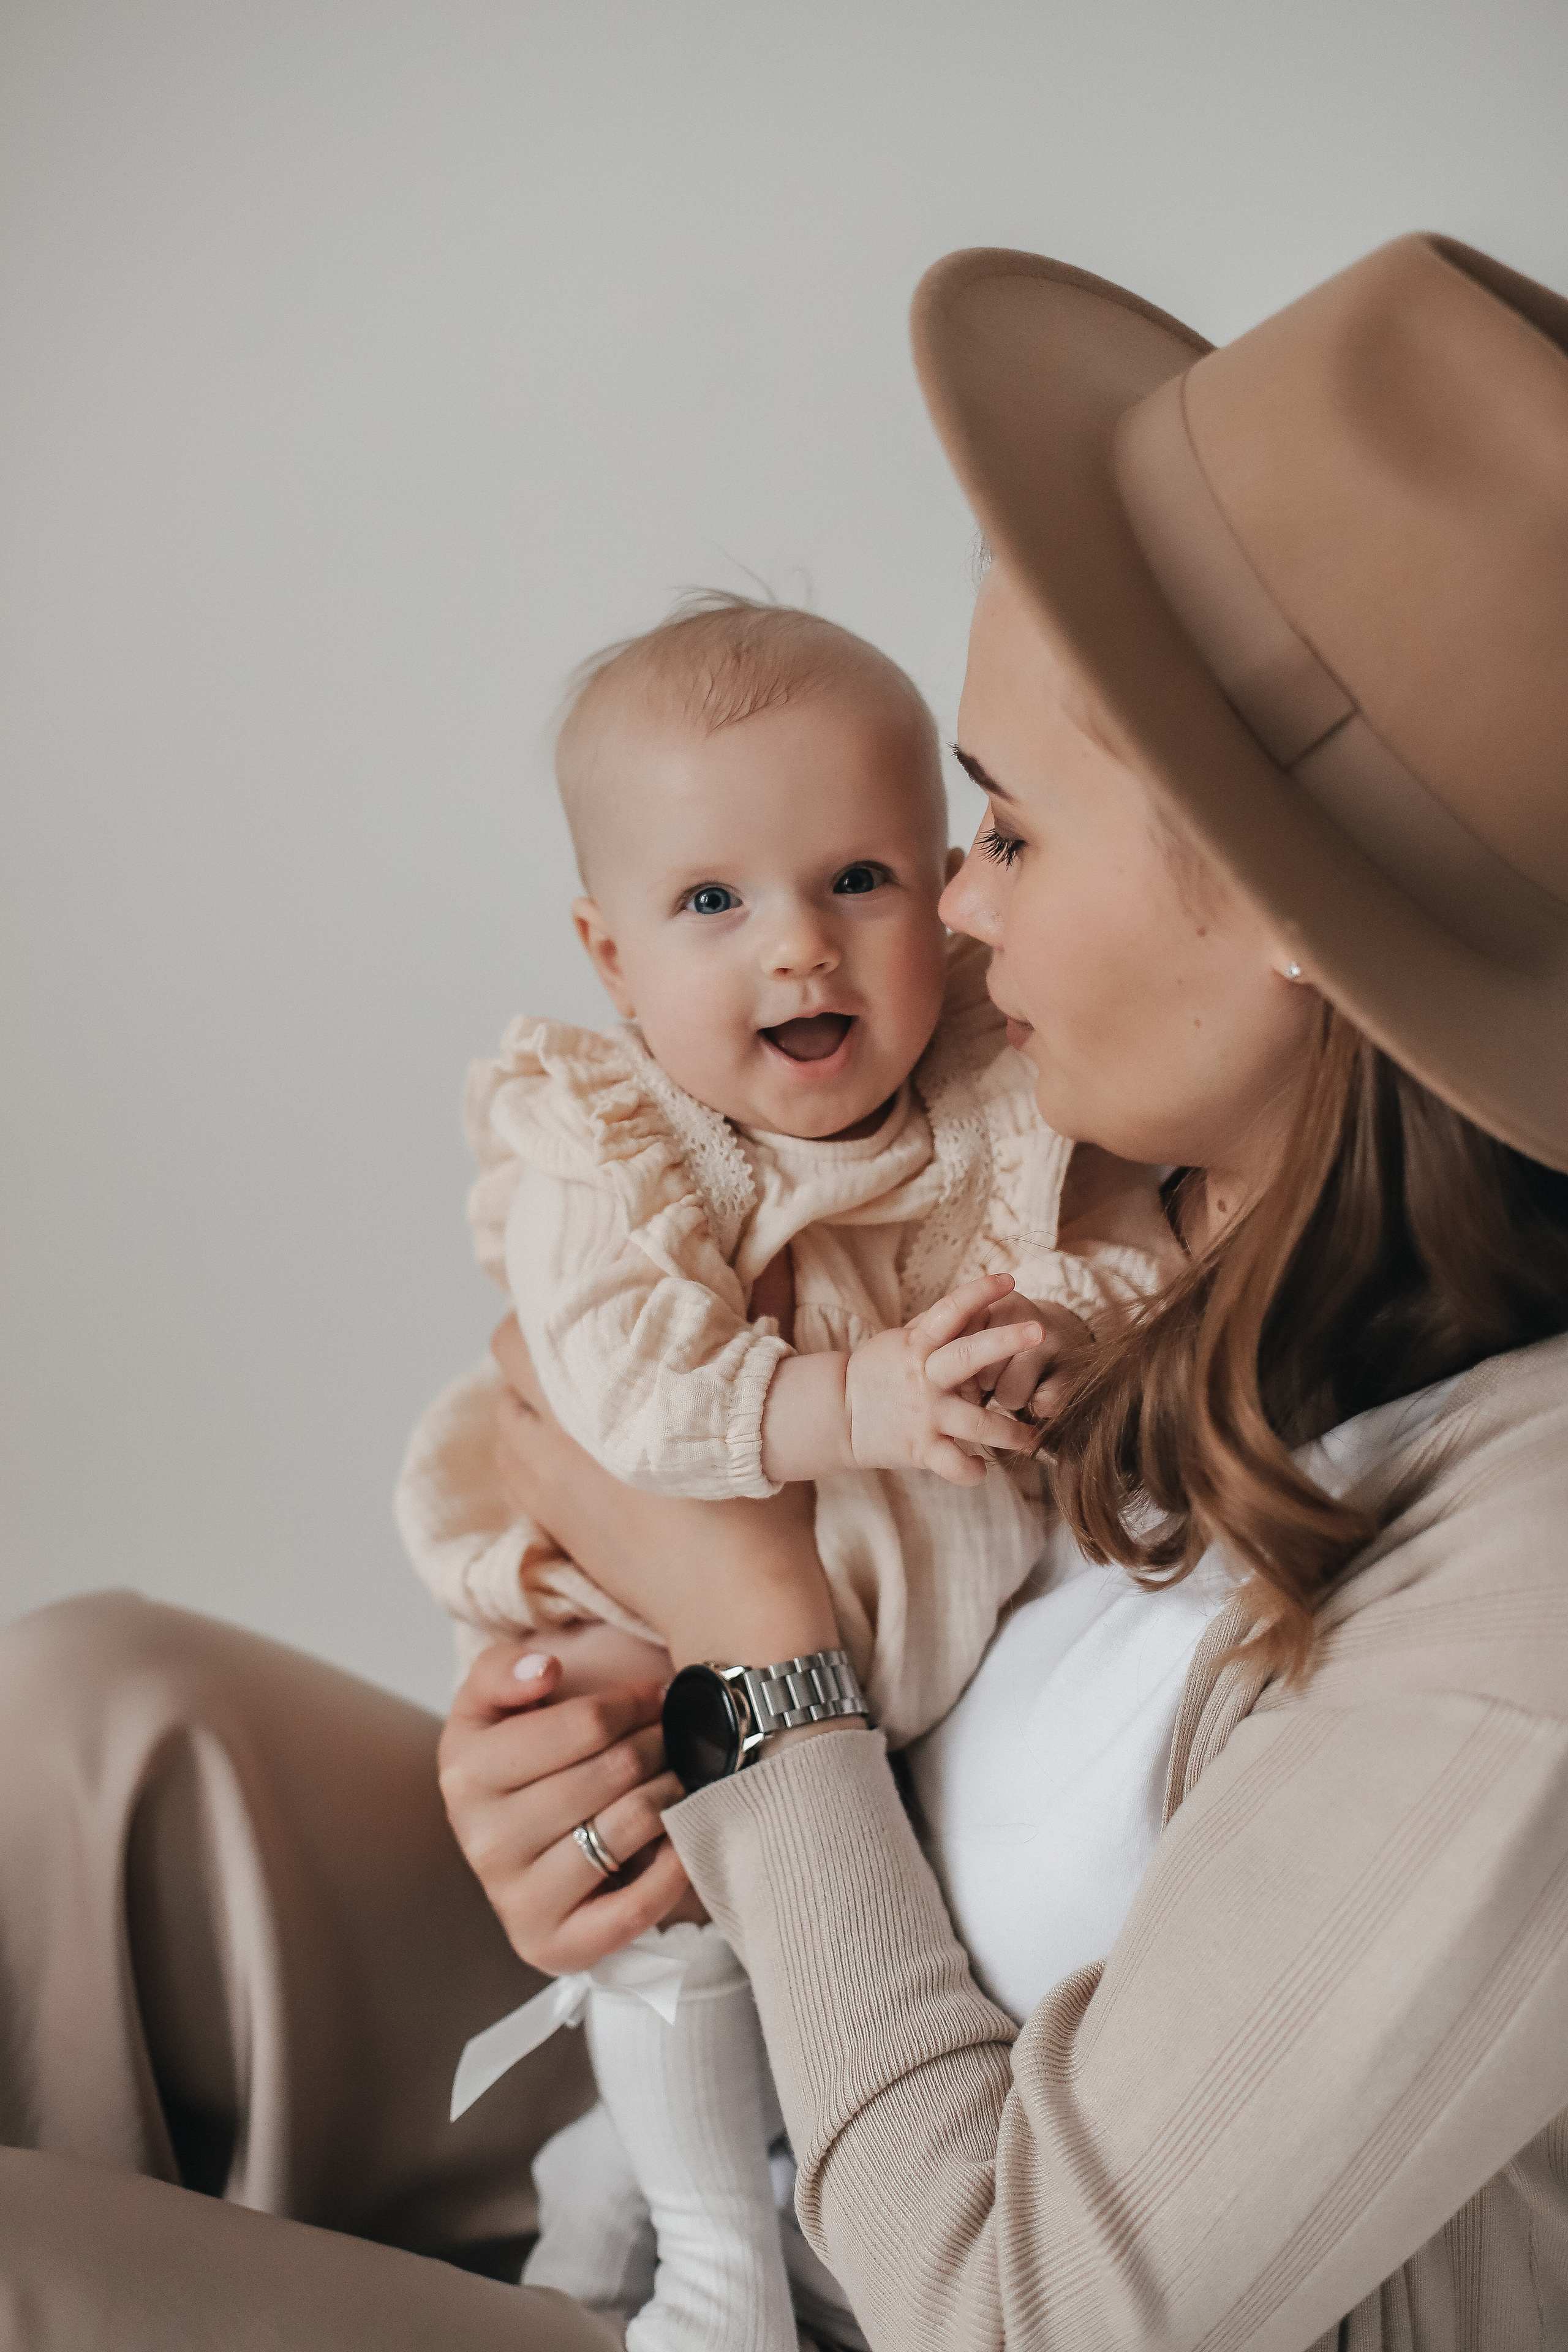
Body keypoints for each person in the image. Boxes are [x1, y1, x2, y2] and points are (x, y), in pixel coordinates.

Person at [2, 227, 1566, 2352]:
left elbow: (1016, 2308)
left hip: (883, 2288)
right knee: (90, 1727)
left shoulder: (1519, 1616)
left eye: (994, 835)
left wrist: (758, 1658)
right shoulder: (1128, 1172)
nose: (946, 925)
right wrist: (604, 1772)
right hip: (748, 2079)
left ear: (1293, 919)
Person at [395, 591, 1167, 2347]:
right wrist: (868, 1406)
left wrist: (1069, 1334)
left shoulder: (1002, 1081)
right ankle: (713, 2271)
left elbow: (1124, 1261)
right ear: (609, 958)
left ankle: (621, 2186)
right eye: (713, 904)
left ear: (943, 884)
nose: (798, 951)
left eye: (859, 881)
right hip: (645, 1606)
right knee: (670, 1920)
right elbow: (639, 1407)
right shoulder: (613, 1142)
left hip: (864, 1620)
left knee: (769, 1929)